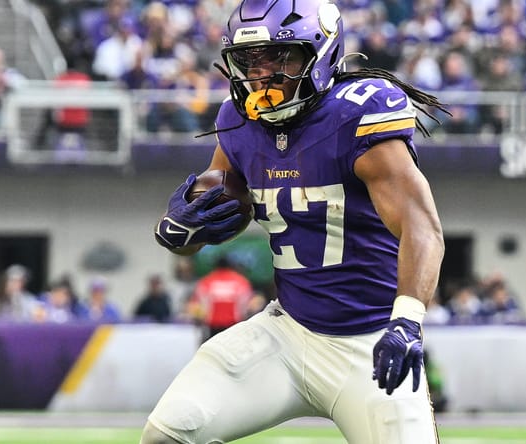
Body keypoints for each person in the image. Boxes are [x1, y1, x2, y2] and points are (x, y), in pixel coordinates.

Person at [142, 1, 447, 442]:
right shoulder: (237, 120)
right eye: (249, 60)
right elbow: (221, 214)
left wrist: (407, 319)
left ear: (320, 53)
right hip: (287, 332)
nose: (261, 73)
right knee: (168, 434)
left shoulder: (357, 114)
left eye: (278, 57)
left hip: (371, 342)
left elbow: (422, 226)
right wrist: (181, 229)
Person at [186, 255, 254, 341]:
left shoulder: (206, 281)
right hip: (234, 324)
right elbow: (245, 303)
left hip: (212, 326)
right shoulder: (241, 281)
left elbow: (200, 303)